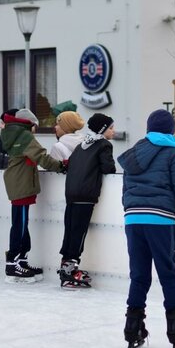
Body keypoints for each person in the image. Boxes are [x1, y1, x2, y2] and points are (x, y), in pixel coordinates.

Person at [117, 109, 175, 348]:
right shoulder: (172, 152)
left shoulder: (134, 153)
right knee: (168, 273)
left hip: (133, 220)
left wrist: (132, 211)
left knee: (139, 275)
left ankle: (132, 328)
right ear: (171, 130)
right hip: (160, 221)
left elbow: (125, 190)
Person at [0, 108, 66, 283]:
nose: (36, 129)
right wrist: (62, 166)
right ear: (29, 124)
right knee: (19, 224)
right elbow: (42, 157)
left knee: (22, 223)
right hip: (20, 184)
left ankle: (21, 259)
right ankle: (12, 263)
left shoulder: (15, 135)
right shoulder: (25, 137)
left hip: (18, 182)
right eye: (35, 125)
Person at [57, 113, 117, 288]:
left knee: (69, 231)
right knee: (79, 233)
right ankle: (70, 270)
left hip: (71, 194)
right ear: (103, 129)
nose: (114, 131)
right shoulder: (104, 145)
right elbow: (108, 168)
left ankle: (65, 266)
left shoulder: (81, 145)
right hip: (86, 195)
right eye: (111, 128)